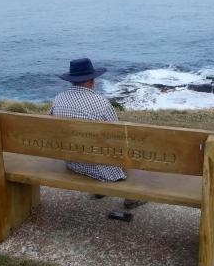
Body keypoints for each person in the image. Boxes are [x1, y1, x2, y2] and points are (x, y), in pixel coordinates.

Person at [49, 57, 144, 209]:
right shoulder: (100, 103)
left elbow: (51, 127)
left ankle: (101, 189)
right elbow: (118, 136)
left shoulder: (58, 99)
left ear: (72, 80)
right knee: (126, 151)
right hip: (99, 166)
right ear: (91, 81)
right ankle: (131, 197)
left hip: (72, 161)